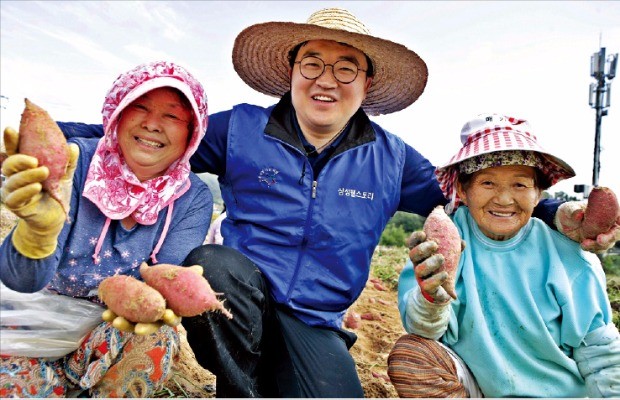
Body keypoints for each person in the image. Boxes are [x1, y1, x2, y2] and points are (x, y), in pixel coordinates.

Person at [56, 8, 619, 398]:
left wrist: (556, 213)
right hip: (239, 297)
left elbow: (472, 195)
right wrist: (52, 141)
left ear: (366, 83)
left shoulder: (393, 159)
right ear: (292, 74)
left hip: (319, 321)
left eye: (346, 67)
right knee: (211, 268)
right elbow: (152, 137)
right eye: (313, 64)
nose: (327, 80)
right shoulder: (242, 130)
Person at [0, 61, 213, 397]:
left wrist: (164, 299)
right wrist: (36, 237)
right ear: (117, 114)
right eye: (139, 107)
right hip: (31, 319)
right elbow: (22, 281)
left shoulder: (193, 198)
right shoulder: (74, 161)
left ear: (192, 131)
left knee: (155, 336)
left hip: (110, 329)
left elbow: (155, 290)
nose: (153, 124)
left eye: (172, 115)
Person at [387, 114, 620, 398]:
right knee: (413, 357)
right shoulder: (443, 242)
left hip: (556, 393)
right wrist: (431, 300)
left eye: (520, 185)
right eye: (488, 183)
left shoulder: (567, 255)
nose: (504, 199)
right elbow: (423, 329)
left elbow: (601, 353)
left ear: (538, 194)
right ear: (463, 189)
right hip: (476, 387)